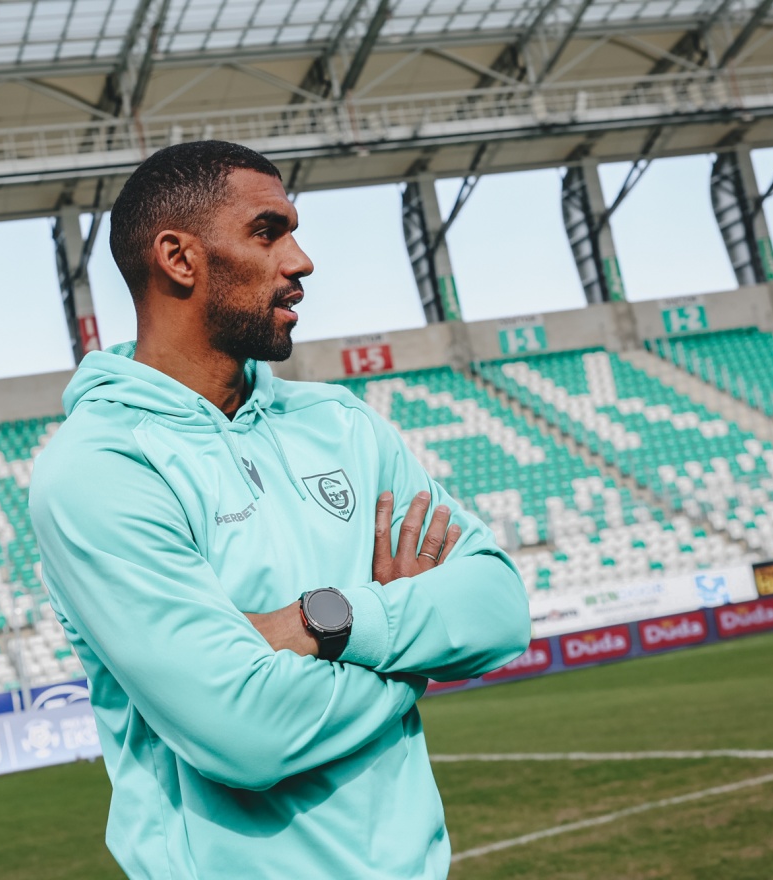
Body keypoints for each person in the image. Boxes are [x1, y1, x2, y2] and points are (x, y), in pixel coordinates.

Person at [29, 140, 530, 878]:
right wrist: (415, 652)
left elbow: (499, 608)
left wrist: (330, 622)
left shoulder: (342, 424)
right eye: (267, 233)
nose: (301, 262)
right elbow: (246, 734)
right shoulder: (100, 468)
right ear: (179, 258)